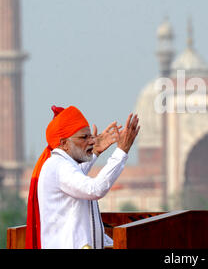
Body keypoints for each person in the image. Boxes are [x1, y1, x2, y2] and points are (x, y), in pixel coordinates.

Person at [25, 105, 140, 249]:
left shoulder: (62, 164)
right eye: (84, 137)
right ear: (64, 144)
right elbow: (95, 189)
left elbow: (78, 175)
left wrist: (95, 152)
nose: (91, 141)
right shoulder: (58, 166)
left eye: (90, 136)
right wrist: (121, 152)